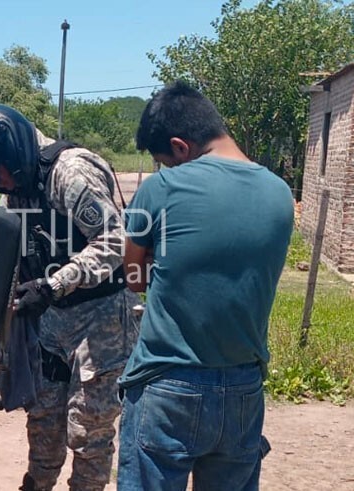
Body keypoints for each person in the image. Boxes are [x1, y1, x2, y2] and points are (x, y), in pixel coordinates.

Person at [0, 104, 140, 491]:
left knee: (89, 429)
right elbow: (12, 251)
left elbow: (116, 242)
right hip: (51, 321)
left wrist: (52, 285)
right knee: (43, 418)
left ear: (12, 152)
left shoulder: (71, 171)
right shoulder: (17, 189)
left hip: (100, 321)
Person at [118, 81, 293, 491]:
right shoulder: (280, 193)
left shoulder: (158, 189)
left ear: (181, 147)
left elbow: (132, 277)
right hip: (244, 388)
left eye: (168, 160)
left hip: (169, 382)